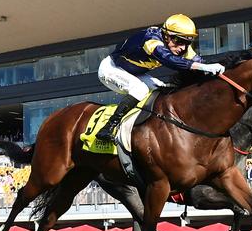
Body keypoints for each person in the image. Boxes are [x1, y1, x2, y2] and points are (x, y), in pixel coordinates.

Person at [95, 14, 225, 142]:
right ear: (167, 35)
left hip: (135, 72)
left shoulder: (180, 45)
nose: (182, 48)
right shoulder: (151, 41)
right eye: (179, 41)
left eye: (187, 43)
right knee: (140, 90)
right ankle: (108, 127)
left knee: (163, 89)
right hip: (111, 68)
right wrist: (203, 67)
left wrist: (216, 69)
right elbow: (170, 60)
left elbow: (200, 61)